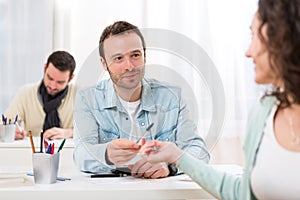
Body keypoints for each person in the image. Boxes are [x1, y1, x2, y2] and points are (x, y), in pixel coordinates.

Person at [141, 0, 300, 199]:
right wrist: (176, 155)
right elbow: (242, 193)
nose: (248, 52)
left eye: (254, 36)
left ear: (282, 39)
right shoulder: (264, 112)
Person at [73, 21, 209, 178]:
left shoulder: (172, 97)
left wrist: (169, 165)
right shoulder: (87, 99)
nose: (129, 66)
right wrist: (106, 155)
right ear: (104, 63)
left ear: (145, 56)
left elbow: (199, 150)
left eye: (135, 55)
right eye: (118, 58)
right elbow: (80, 154)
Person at [5, 50, 77, 140]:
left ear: (70, 78)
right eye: (50, 78)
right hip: (33, 152)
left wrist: (69, 132)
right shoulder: (25, 93)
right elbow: (5, 124)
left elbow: (95, 131)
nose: (52, 86)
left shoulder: (80, 95)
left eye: (60, 82)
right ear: (45, 68)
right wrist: (11, 131)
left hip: (68, 152)